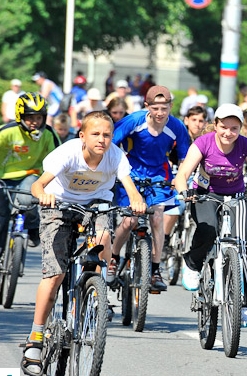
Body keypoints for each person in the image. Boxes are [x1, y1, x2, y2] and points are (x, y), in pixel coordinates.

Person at [20, 111, 146, 376]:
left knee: (103, 237)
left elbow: (128, 185)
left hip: (96, 205)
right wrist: (43, 195)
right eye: (96, 134)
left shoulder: (115, 156)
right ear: (82, 137)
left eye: (107, 135)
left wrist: (136, 200)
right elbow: (39, 185)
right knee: (55, 275)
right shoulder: (68, 153)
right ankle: (36, 336)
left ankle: (95, 293)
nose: (102, 139)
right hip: (60, 205)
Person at [174, 103, 247, 328]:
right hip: (204, 195)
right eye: (224, 127)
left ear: (240, 129)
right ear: (216, 125)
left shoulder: (246, 144)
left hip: (235, 196)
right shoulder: (204, 142)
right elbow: (183, 174)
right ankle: (192, 263)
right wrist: (184, 191)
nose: (228, 133)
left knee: (242, 247)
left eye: (234, 128)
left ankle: (244, 305)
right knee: (208, 230)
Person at [110, 86, 190, 292]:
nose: (160, 113)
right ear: (147, 106)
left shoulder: (177, 127)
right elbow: (111, 144)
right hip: (132, 172)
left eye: (165, 108)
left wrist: (179, 179)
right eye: (155, 108)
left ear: (171, 106)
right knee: (130, 220)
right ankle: (113, 258)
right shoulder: (134, 121)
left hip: (159, 175)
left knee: (157, 216)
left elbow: (185, 158)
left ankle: (154, 269)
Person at [0, 93, 60, 252]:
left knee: (27, 200)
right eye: (30, 118)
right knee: (1, 215)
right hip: (3, 178)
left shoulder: (48, 134)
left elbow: (59, 159)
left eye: (39, 118)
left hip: (30, 175)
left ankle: (33, 226)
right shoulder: (6, 132)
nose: (35, 122)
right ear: (20, 116)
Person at [163, 105, 207, 249]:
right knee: (177, 204)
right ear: (186, 120)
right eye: (194, 119)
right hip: (176, 175)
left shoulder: (206, 140)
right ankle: (164, 238)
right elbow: (166, 155)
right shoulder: (178, 138)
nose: (197, 123)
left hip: (197, 178)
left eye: (201, 120)